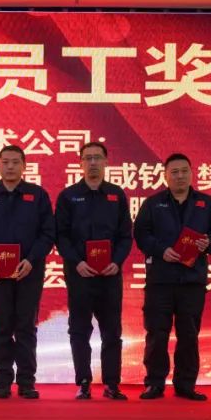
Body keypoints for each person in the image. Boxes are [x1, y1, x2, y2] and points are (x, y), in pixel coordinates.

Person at [133, 153, 211, 401]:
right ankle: (154, 383)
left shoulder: (205, 203)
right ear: (165, 176)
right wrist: (161, 250)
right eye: (174, 172)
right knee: (156, 333)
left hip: (192, 280)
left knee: (189, 334)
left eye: (184, 171)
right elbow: (141, 234)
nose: (180, 176)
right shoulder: (153, 203)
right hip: (160, 280)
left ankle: (185, 384)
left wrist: (209, 243)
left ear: (192, 173)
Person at [0, 145, 56, 399]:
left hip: (29, 272)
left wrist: (31, 260)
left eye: (15, 162)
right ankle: (3, 380)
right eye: (5, 162)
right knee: (1, 326)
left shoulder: (37, 195)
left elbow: (48, 233)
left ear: (24, 166)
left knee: (26, 327)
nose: (10, 166)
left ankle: (27, 381)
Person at [55, 141, 132, 401]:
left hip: (110, 275)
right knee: (79, 329)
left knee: (112, 331)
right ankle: (84, 382)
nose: (93, 163)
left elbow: (125, 235)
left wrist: (117, 261)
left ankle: (112, 383)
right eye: (87, 158)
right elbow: (61, 236)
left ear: (106, 161)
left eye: (97, 157)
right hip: (80, 274)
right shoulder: (68, 196)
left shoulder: (116, 195)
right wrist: (77, 262)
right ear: (80, 163)